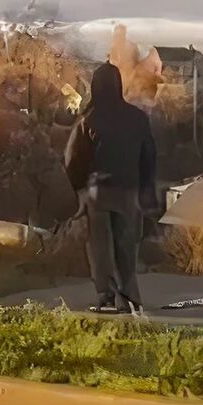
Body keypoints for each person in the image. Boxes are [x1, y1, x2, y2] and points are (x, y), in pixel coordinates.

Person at [64, 62, 157, 314]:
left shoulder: (88, 120)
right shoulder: (137, 118)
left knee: (100, 246)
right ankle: (128, 297)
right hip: (129, 192)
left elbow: (73, 159)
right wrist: (146, 188)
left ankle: (106, 296)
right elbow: (149, 156)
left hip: (98, 193)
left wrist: (80, 189)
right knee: (126, 244)